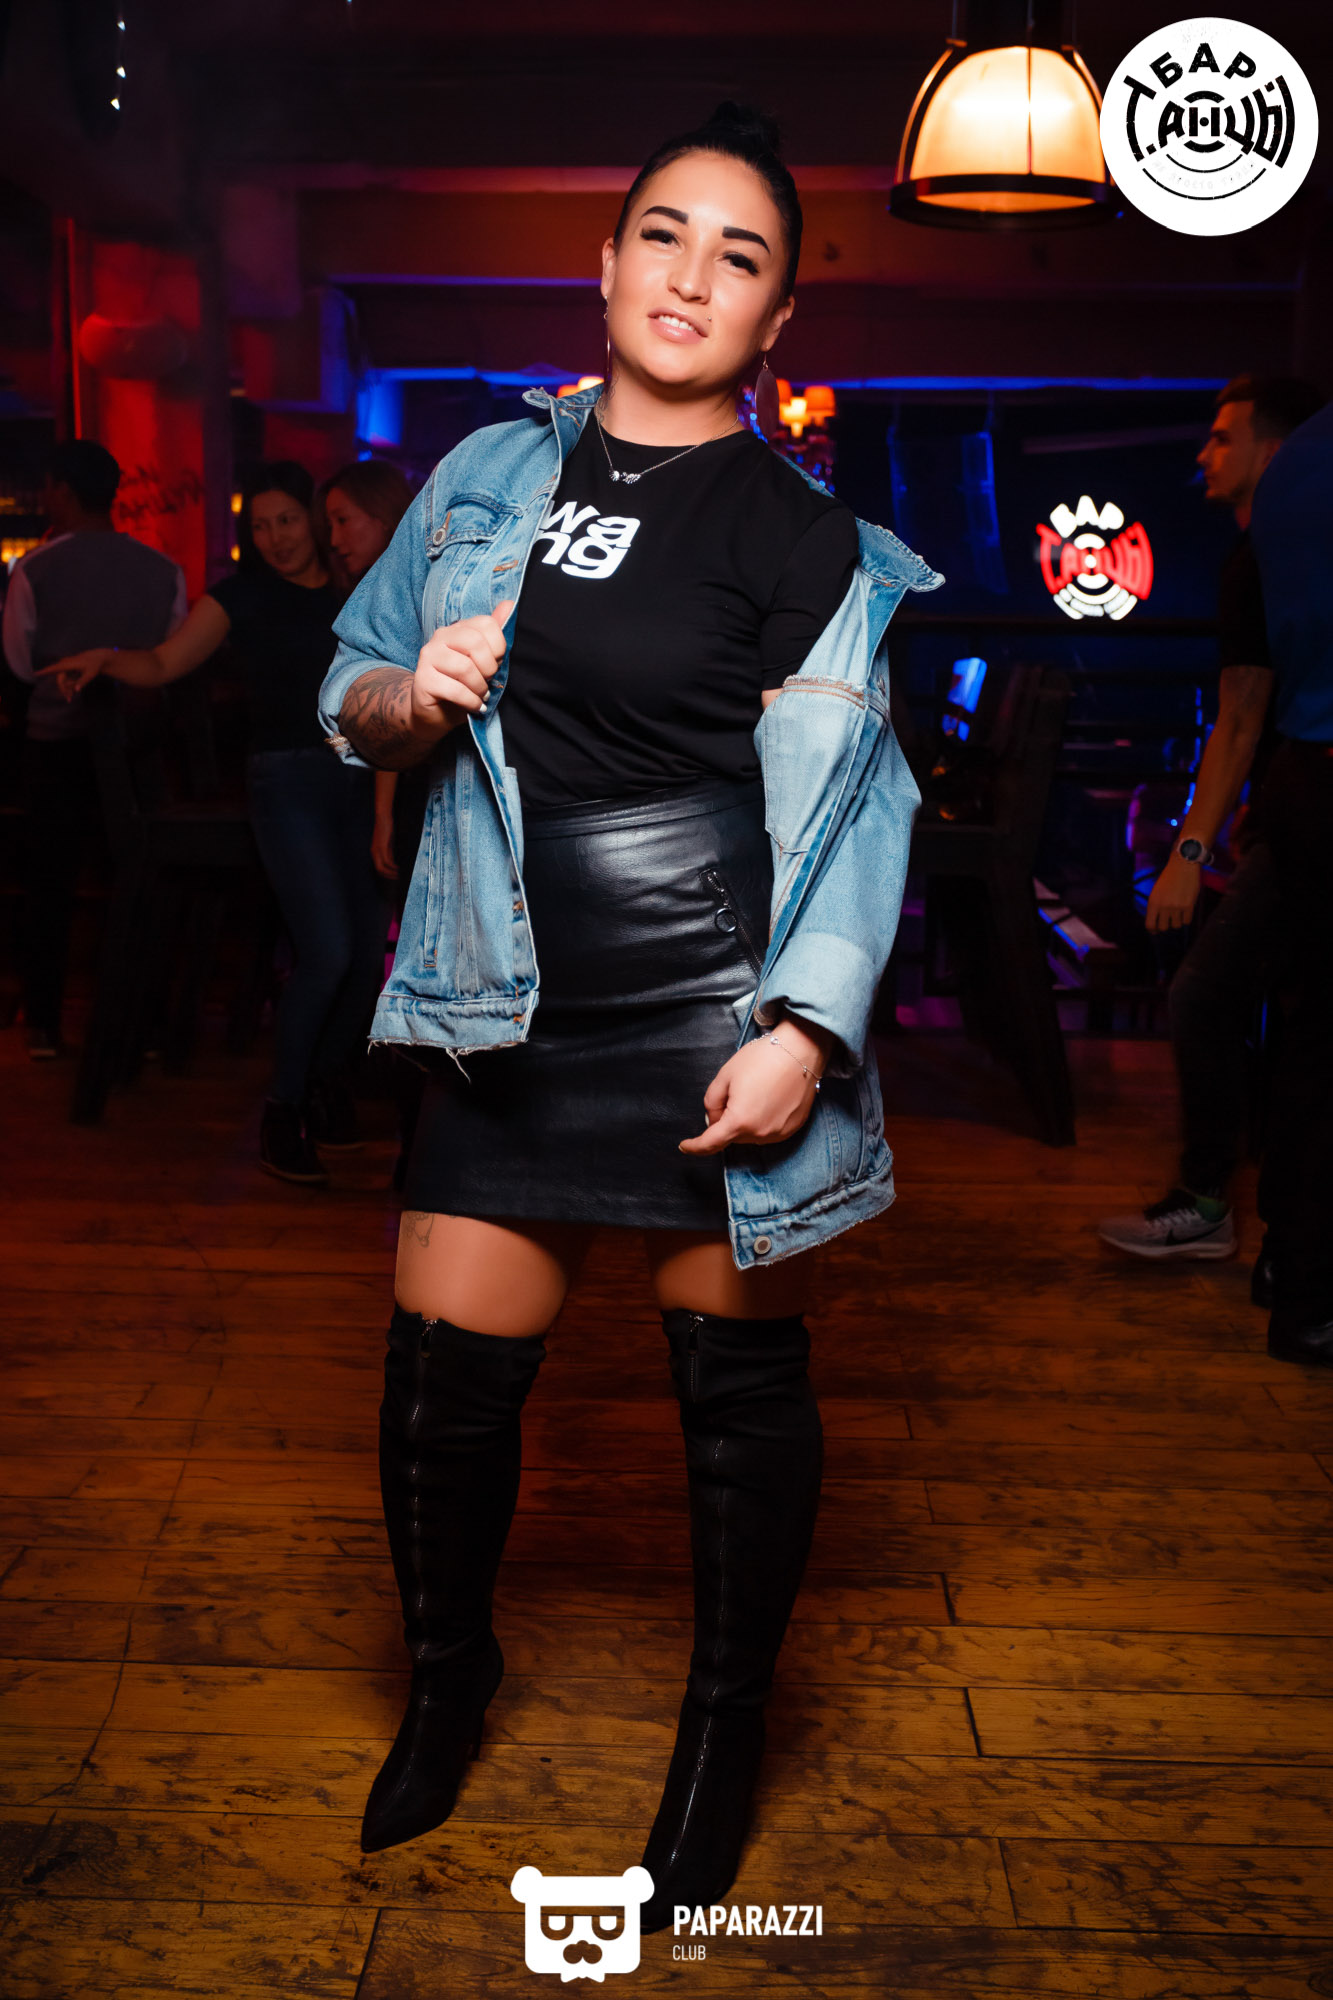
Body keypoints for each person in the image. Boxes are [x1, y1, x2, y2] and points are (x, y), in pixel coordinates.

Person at [317, 103, 940, 1928]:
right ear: (603, 267)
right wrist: (409, 695)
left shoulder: (807, 536)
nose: (689, 277)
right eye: (663, 235)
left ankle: (722, 1744)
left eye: (738, 258)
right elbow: (346, 686)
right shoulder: (482, 474)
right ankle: (448, 1688)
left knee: (735, 1410)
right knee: (441, 1390)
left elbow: (862, 802)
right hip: (498, 993)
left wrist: (804, 1033)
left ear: (776, 320)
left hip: (707, 1003)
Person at [41, 461, 387, 1184]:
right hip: (286, 781)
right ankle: (281, 1111)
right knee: (327, 951)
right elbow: (165, 662)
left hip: (360, 781)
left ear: (314, 519)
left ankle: (327, 1085)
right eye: (259, 526)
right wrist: (106, 658)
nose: (275, 538)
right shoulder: (238, 598)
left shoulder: (355, 586)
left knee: (364, 958)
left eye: (286, 520)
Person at [1098, 376, 1324, 1276]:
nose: (1203, 454)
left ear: (1276, 454)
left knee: (1207, 994)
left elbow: (1239, 718)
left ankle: (1212, 1208)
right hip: (1291, 811)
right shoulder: (1277, 552)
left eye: (1223, 438)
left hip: (1303, 814)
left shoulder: (1260, 558)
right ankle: (1274, 1235)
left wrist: (1188, 851)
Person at [3, 440, 185, 1057]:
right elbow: (169, 660)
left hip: (55, 744)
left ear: (61, 491)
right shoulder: (162, 570)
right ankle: (146, 1024)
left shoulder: (34, 569)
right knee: (137, 884)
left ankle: (44, 1024)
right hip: (136, 750)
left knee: (49, 884)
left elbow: (18, 662)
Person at [1248, 397, 1333, 1365]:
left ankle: (1290, 1263)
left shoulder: (1299, 460)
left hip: (1304, 766)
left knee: (1312, 1033)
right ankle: (1310, 1293)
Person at [317, 459, 419, 887]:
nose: (334, 539)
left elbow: (395, 711)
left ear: (382, 516)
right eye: (330, 525)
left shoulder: (403, 589)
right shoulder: (364, 588)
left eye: (343, 521)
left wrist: (382, 815)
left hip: (408, 781)